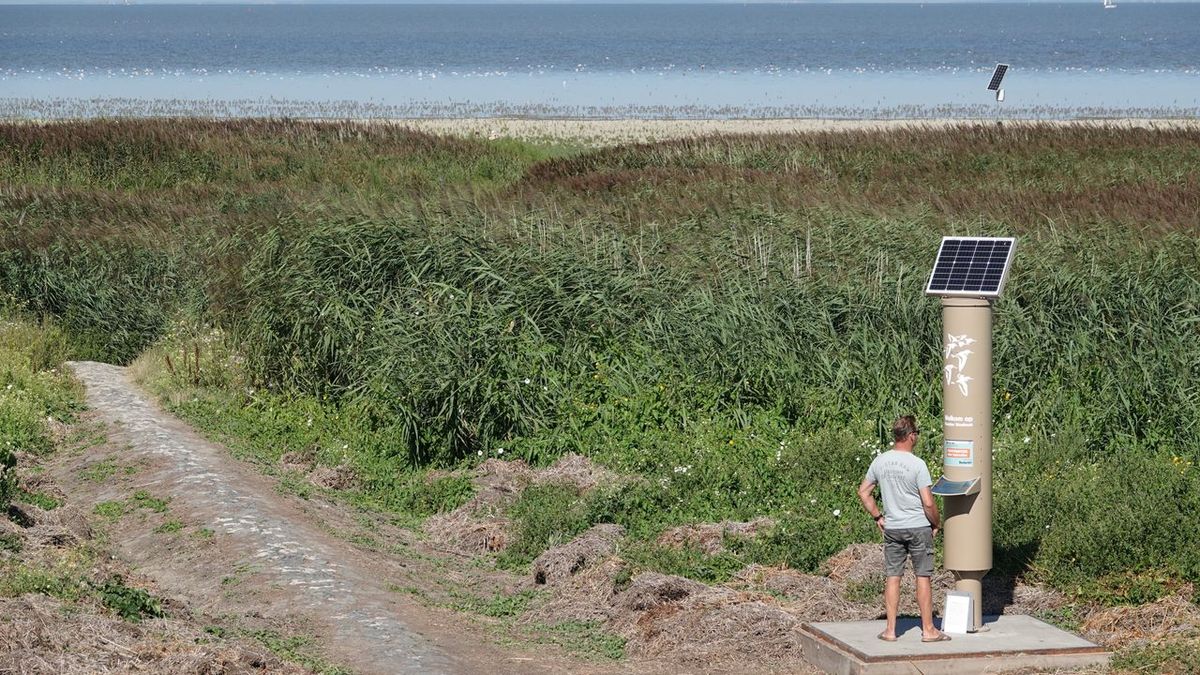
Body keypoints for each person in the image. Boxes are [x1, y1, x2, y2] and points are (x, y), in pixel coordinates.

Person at [857, 415, 949, 643]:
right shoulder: (918, 464)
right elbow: (928, 502)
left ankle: (890, 630)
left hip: (893, 528)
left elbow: (864, 492)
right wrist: (936, 523)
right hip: (918, 527)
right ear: (911, 436)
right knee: (923, 577)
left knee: (893, 577)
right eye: (917, 433)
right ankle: (929, 630)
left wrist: (878, 516)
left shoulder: (880, 461)